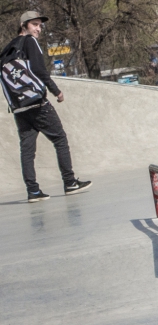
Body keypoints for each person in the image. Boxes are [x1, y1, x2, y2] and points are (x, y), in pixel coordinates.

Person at [1, 11, 91, 202]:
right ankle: (70, 182)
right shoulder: (29, 42)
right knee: (60, 138)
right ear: (23, 25)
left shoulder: (8, 49)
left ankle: (33, 191)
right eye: (34, 24)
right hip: (37, 103)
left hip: (19, 107)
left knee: (27, 150)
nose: (38, 29)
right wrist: (56, 91)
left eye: (40, 25)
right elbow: (39, 70)